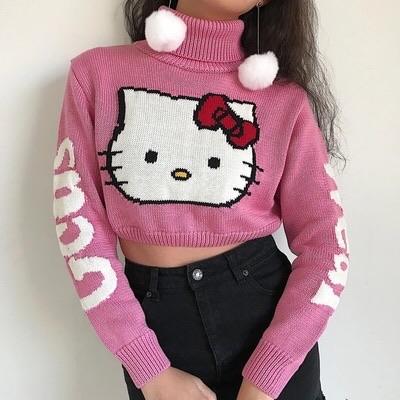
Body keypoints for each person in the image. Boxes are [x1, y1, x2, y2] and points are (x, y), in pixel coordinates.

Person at [52, 0, 350, 399]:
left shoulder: (285, 100)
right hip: (156, 331)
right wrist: (149, 369)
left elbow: (327, 245)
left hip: (266, 321)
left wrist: (271, 370)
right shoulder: (96, 74)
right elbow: (80, 229)